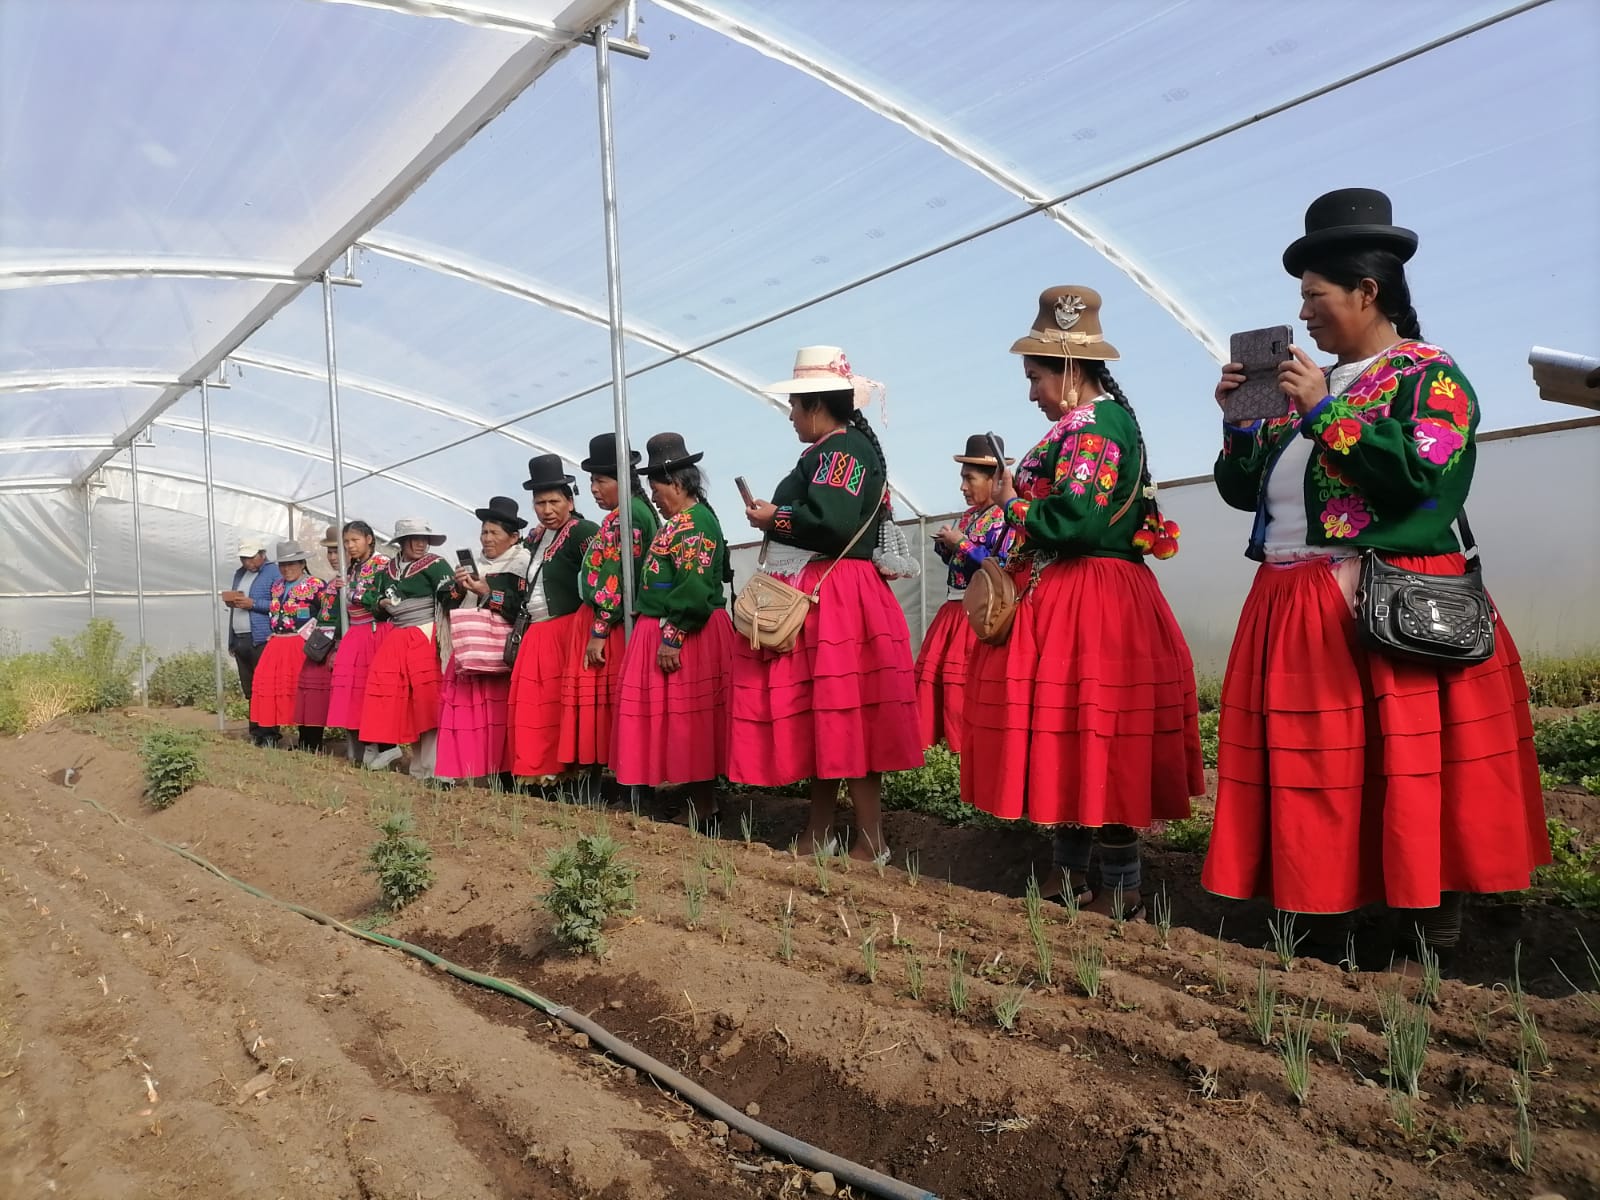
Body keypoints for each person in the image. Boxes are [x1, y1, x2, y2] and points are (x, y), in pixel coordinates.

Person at [1201, 189, 1549, 967]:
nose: (1307, 312)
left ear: (1369, 291)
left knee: (1405, 768)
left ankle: (1428, 925)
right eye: (1301, 298)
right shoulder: (1309, 389)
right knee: (1320, 774)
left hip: (1382, 598)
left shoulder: (1431, 377)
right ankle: (1323, 916)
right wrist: (1236, 424)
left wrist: (1327, 412)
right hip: (1293, 598)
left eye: (1316, 296)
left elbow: (1425, 477)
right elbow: (1244, 489)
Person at [962, 288, 1204, 918]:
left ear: (1069, 371)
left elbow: (1075, 520)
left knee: (1101, 735)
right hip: (1081, 592)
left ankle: (1119, 886)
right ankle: (1075, 877)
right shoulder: (1088, 425)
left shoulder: (1094, 426)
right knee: (1074, 736)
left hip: (1091, 597)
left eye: (1035, 377)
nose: (1031, 392)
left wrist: (1014, 502)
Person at [732, 346, 923, 862]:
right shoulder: (838, 449)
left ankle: (871, 840)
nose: (791, 416)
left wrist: (776, 517)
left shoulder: (841, 451)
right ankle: (821, 834)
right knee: (827, 717)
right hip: (836, 593)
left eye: (794, 406)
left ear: (815, 405)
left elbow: (835, 524)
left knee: (846, 715)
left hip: (835, 595)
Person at [610, 433, 734, 823]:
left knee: (690, 720)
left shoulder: (693, 524)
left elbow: (693, 588)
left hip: (686, 635)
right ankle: (698, 802)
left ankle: (703, 806)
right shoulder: (684, 521)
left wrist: (672, 638)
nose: (656, 497)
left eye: (657, 488)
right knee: (685, 719)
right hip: (673, 630)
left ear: (678, 484)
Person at [561, 433, 659, 777]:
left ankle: (611, 778)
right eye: (591, 481)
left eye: (601, 480)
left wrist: (599, 629)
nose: (593, 488)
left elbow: (617, 572)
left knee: (604, 704)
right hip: (610, 621)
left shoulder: (626, 517)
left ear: (623, 479)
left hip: (611, 626)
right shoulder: (633, 512)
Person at [913, 434, 1013, 753]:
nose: (963, 488)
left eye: (970, 479)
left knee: (965, 688)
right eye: (963, 479)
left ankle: (965, 754)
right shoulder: (969, 517)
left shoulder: (1006, 517)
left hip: (981, 617)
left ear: (994, 479)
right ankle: (936, 752)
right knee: (939, 685)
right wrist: (947, 548)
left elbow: (1002, 565)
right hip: (953, 611)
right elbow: (962, 563)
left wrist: (963, 545)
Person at [506, 455, 600, 782]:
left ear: (570, 501)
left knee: (562, 705)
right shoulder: (534, 538)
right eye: (539, 502)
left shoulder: (583, 532)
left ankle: (568, 773)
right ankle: (538, 772)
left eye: (554, 501)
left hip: (568, 629)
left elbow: (603, 576)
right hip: (537, 632)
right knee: (538, 706)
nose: (547, 509)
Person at [436, 497, 532, 784]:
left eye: (494, 533)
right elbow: (447, 601)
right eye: (484, 532)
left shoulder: (523, 565)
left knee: (498, 714)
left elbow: (520, 605)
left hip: (500, 653)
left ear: (513, 537)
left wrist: (487, 592)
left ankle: (503, 776)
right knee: (462, 712)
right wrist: (459, 586)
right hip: (469, 650)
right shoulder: (474, 564)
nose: (487, 539)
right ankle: (456, 771)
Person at [359, 518, 452, 778]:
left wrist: (457, 591)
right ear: (401, 542)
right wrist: (381, 602)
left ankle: (437, 767)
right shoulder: (388, 569)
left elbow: (449, 595)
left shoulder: (436, 565)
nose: (421, 544)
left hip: (425, 633)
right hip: (398, 635)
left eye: (425, 539)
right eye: (415, 538)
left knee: (429, 698)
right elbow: (371, 601)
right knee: (408, 701)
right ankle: (417, 764)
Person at [247, 541, 327, 750]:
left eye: (292, 564)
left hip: (302, 644)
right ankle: (267, 735)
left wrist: (319, 639)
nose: (287, 569)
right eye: (283, 564)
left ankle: (309, 742)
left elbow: (326, 614)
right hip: (278, 642)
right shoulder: (278, 586)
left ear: (302, 563)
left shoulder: (316, 585)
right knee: (268, 685)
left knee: (304, 691)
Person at [324, 520, 391, 763]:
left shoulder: (382, 565)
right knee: (354, 693)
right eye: (346, 542)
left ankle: (383, 746)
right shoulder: (351, 568)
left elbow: (380, 597)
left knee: (373, 690)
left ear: (369, 539)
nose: (350, 546)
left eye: (355, 540)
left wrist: (351, 592)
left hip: (375, 631)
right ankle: (365, 745)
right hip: (355, 632)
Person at [222, 541, 281, 745]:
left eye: (251, 557)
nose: (247, 562)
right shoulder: (239, 574)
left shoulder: (273, 573)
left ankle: (270, 733)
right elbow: (234, 611)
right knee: (250, 689)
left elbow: (280, 604)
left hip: (262, 638)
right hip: (241, 638)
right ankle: (256, 732)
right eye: (243, 558)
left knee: (265, 687)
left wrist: (253, 604)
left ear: (262, 554)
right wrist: (231, 639)